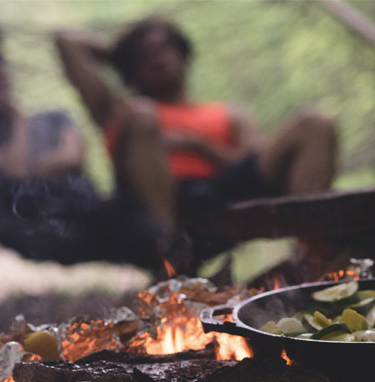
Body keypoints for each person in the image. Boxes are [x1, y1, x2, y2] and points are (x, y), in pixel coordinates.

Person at [54, 17, 339, 261]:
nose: (155, 57)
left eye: (163, 47)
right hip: (159, 206)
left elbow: (256, 161)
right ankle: (170, 252)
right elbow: (67, 41)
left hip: (225, 190)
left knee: (316, 122)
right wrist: (119, 54)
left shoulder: (228, 113)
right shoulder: (119, 111)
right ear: (131, 68)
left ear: (183, 53)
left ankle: (311, 254)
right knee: (143, 115)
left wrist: (197, 146)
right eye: (143, 55)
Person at [0, 25, 174, 271]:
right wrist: (16, 119)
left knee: (142, 123)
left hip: (94, 211)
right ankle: (170, 253)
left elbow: (73, 158)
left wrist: (27, 168)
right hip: (44, 228)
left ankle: (169, 249)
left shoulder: (55, 117)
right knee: (144, 231)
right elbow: (11, 177)